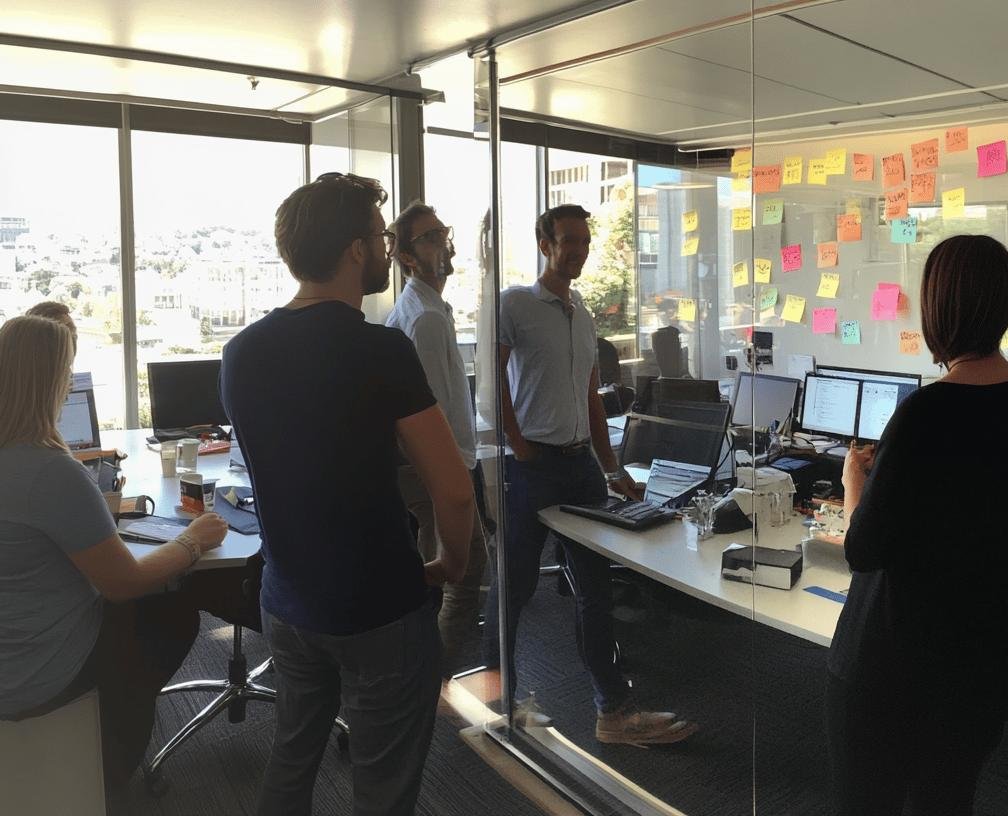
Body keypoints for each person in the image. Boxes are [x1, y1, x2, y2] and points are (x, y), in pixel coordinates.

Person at [220, 172, 475, 815]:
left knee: (293, 756)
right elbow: (454, 491)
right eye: (380, 237)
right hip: (379, 608)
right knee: (381, 784)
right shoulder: (380, 350)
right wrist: (453, 564)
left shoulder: (239, 353)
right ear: (356, 251)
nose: (388, 250)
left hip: (287, 600)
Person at [826, 234, 1008, 815]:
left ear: (938, 309)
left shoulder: (924, 414)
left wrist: (855, 482)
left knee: (868, 803)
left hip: (893, 663)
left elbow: (862, 549)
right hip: (980, 658)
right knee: (948, 800)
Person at [478, 203, 696, 745]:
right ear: (544, 243)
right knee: (516, 587)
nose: (577, 250)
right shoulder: (515, 305)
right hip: (534, 468)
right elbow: (489, 384)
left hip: (580, 467)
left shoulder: (582, 312)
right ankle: (492, 700)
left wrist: (611, 466)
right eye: (568, 240)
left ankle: (612, 712)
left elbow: (591, 400)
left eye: (584, 241)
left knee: (594, 590)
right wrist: (521, 446)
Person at [0, 314, 228, 791]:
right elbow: (124, 584)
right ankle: (110, 764)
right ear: (51, 385)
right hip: (34, 674)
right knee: (172, 615)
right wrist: (194, 540)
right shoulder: (49, 472)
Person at [385, 201, 492, 675]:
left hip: (441, 466)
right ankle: (425, 682)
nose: (442, 244)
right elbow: (425, 416)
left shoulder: (428, 308)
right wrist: (452, 480)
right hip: (437, 470)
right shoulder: (424, 318)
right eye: (428, 239)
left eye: (442, 234)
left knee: (448, 574)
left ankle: (420, 676)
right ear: (407, 257)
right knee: (460, 576)